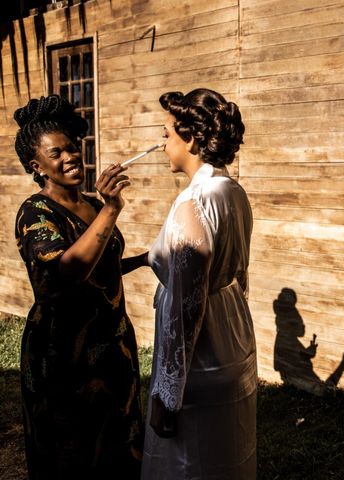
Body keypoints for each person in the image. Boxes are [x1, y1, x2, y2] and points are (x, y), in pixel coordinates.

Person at [13, 94, 145, 479]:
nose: (71, 156)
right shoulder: (34, 212)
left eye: (73, 147)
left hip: (112, 345)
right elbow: (67, 271)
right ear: (37, 167)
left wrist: (145, 259)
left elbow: (100, 267)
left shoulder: (91, 202)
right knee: (73, 454)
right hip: (64, 355)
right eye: (57, 153)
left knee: (120, 449)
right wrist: (112, 208)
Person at [141, 88, 257, 480]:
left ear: (190, 138)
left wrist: (167, 395)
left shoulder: (194, 202)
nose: (162, 145)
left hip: (200, 357)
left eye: (167, 134)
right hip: (231, 336)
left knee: (190, 466)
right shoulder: (233, 192)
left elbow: (186, 305)